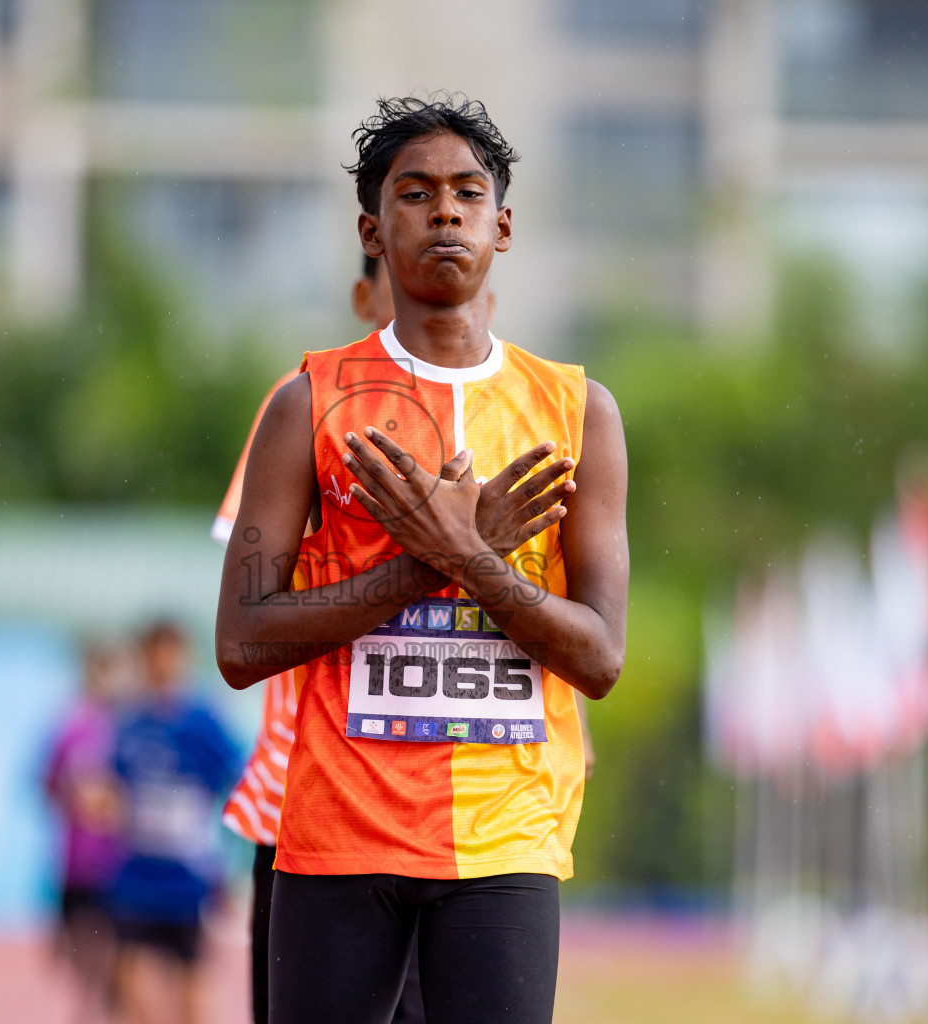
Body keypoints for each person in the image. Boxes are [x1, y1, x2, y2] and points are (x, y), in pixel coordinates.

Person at [214, 95, 628, 1024]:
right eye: (416, 193)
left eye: (467, 194)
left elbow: (599, 658)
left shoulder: (577, 412)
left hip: (506, 841)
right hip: (338, 834)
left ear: (503, 225)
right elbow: (240, 646)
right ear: (372, 226)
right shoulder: (308, 403)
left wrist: (471, 559)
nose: (445, 212)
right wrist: (427, 563)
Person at [106, 622, 242, 1024]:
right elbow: (111, 784)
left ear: (183, 657)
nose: (162, 664)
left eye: (170, 654)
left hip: (188, 874)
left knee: (192, 976)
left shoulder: (203, 720)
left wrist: (226, 865)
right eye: (153, 654)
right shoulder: (129, 719)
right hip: (136, 871)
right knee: (129, 973)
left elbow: (236, 781)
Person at [44, 639, 131, 1024]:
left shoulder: (132, 727)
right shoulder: (71, 727)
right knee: (83, 965)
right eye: (101, 669)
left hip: (122, 865)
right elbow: (47, 785)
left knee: (120, 966)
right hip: (79, 863)